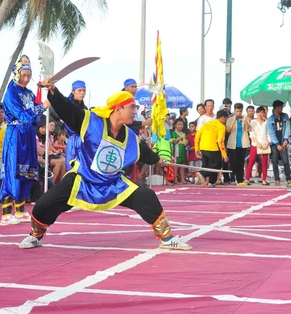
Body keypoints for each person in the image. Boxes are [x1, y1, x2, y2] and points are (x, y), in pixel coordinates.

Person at [18, 79, 191, 251]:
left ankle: (167, 238)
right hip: (82, 179)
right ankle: (35, 236)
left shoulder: (130, 137)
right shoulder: (90, 122)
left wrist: (158, 160)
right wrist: (54, 91)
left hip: (113, 183)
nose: (135, 112)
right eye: (132, 108)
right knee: (44, 205)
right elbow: (68, 110)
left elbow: (144, 152)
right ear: (118, 109)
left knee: (147, 196)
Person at [0, 55, 47, 225]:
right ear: (16, 74)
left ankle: (20, 209)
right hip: (15, 134)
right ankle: (6, 212)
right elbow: (22, 115)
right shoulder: (11, 93)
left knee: (27, 171)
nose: (26, 78)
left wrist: (40, 109)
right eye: (23, 74)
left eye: (28, 75)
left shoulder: (29, 93)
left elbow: (34, 119)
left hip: (28, 134)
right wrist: (41, 108)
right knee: (13, 169)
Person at [195, 110, 229, 187]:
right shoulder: (221, 126)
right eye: (226, 119)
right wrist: (224, 155)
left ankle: (211, 182)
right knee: (217, 165)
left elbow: (197, 136)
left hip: (203, 147)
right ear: (223, 118)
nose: (226, 121)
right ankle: (202, 173)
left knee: (206, 165)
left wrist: (197, 149)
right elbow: (220, 141)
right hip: (213, 148)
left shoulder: (207, 124)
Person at [268, 100, 291, 186]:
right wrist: (277, 144)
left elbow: (287, 128)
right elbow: (271, 133)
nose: (282, 108)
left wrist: (286, 139)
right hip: (275, 144)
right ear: (276, 108)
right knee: (275, 161)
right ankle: (277, 179)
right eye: (280, 107)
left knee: (286, 161)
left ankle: (288, 178)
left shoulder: (285, 116)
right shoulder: (270, 119)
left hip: (283, 141)